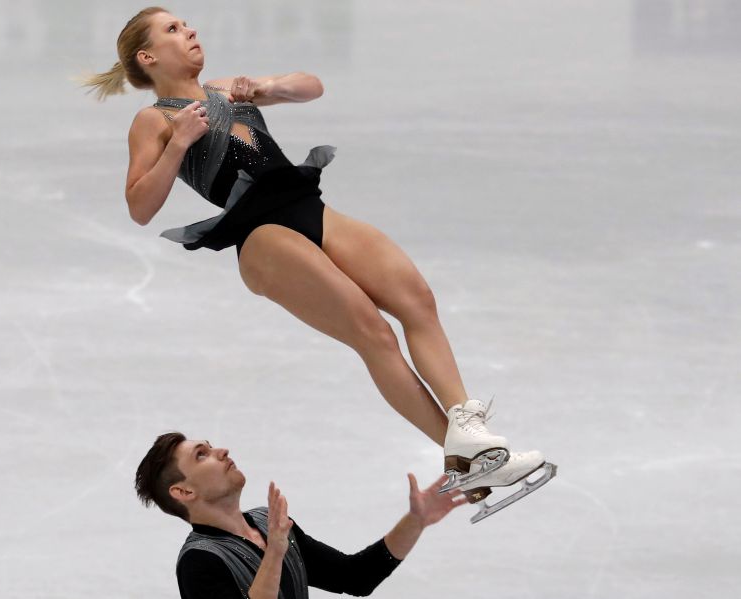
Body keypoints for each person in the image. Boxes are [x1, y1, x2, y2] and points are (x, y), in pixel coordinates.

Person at [84, 7, 555, 505]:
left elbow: (311, 87)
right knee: (370, 329)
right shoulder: (151, 120)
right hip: (259, 232)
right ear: (148, 56)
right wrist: (178, 141)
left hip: (307, 206)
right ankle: (468, 462)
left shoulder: (225, 89)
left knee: (416, 299)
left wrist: (268, 86)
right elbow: (139, 205)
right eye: (174, 29)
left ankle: (468, 429)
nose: (191, 31)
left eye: (186, 23)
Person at [135, 431, 468, 598]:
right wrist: (275, 553)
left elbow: (355, 577)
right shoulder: (199, 561)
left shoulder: (270, 523)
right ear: (183, 492)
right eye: (202, 455)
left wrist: (417, 519)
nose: (221, 451)